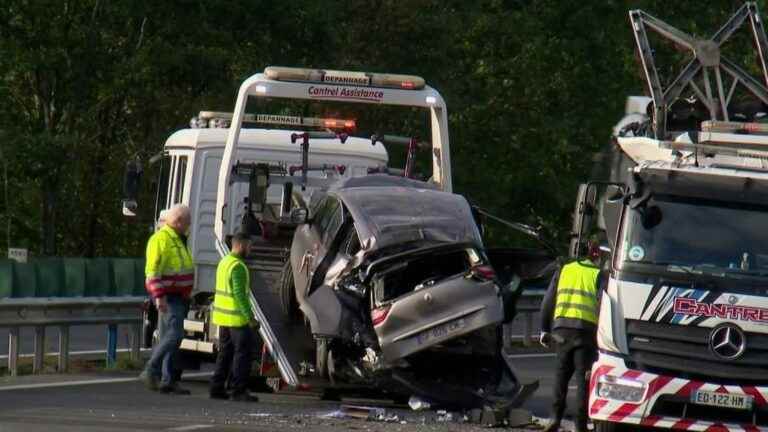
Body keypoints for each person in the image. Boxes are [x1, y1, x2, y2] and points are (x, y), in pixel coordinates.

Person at [539, 241, 603, 432]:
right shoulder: (598, 274)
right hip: (585, 333)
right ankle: (580, 425)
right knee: (583, 381)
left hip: (561, 331)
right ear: (594, 255)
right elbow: (603, 305)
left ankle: (555, 418)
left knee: (561, 376)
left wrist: (544, 329)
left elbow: (548, 300)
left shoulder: (564, 270)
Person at [139, 204, 194, 395]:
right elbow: (152, 273)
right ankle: (151, 369)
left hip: (178, 296)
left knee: (171, 337)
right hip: (169, 297)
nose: (189, 226)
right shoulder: (160, 240)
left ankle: (167, 379)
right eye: (187, 222)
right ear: (178, 221)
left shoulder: (177, 239)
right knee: (175, 335)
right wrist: (159, 297)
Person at [209, 232, 260, 402]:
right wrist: (250, 317)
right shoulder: (237, 266)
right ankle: (239, 390)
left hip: (223, 318)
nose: (250, 249)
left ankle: (216, 387)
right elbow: (239, 294)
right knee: (242, 355)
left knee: (224, 354)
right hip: (237, 320)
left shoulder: (224, 262)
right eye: (249, 246)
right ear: (240, 245)